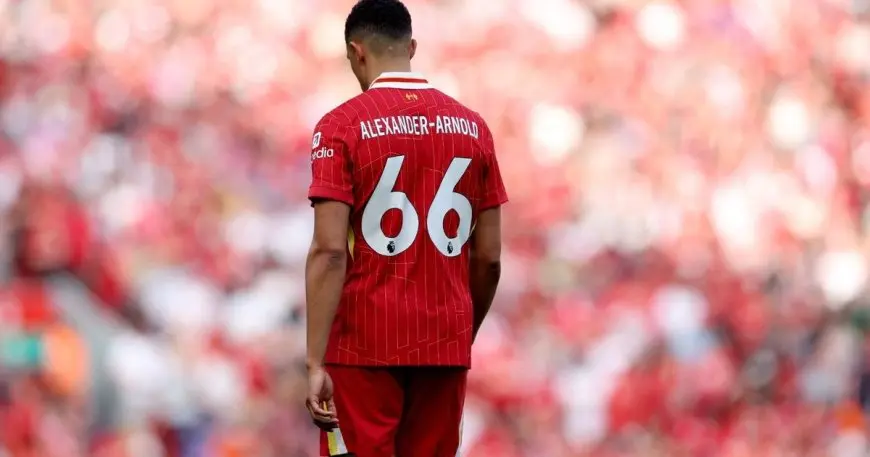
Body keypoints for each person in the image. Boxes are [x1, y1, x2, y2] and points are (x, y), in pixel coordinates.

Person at [303, 0, 508, 455]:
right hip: (444, 342)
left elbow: (330, 251)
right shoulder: (474, 129)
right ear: (411, 47)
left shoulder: (339, 127)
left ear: (356, 52)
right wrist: (459, 333)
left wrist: (315, 360)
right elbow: (490, 257)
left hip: (362, 344)